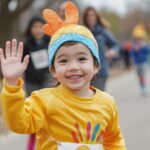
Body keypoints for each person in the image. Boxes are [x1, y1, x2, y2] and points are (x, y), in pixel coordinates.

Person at [0, 2, 126, 150]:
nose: (73, 67)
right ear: (53, 69)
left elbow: (113, 140)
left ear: (96, 65)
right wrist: (11, 83)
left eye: (81, 58)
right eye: (63, 60)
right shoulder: (43, 101)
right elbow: (18, 124)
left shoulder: (108, 103)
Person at [23, 16, 50, 150]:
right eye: (35, 27)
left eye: (40, 26)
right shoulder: (27, 44)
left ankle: (49, 141)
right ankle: (31, 145)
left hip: (47, 81)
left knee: (48, 113)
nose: (38, 30)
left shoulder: (50, 41)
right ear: (30, 29)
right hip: (31, 82)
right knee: (34, 113)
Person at [83, 7, 119, 91]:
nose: (90, 17)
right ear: (85, 18)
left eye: (92, 15)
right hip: (86, 72)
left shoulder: (102, 32)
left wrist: (113, 51)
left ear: (96, 17)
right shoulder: (83, 32)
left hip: (100, 71)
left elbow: (116, 45)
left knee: (97, 99)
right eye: (88, 16)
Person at [130, 23, 150, 95]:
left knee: (142, 76)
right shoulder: (134, 45)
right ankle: (142, 87)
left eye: (140, 38)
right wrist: (134, 50)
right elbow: (131, 54)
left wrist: (143, 47)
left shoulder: (144, 45)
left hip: (143, 63)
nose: (139, 40)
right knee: (139, 76)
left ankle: (143, 88)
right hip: (136, 63)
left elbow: (148, 51)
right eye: (137, 38)